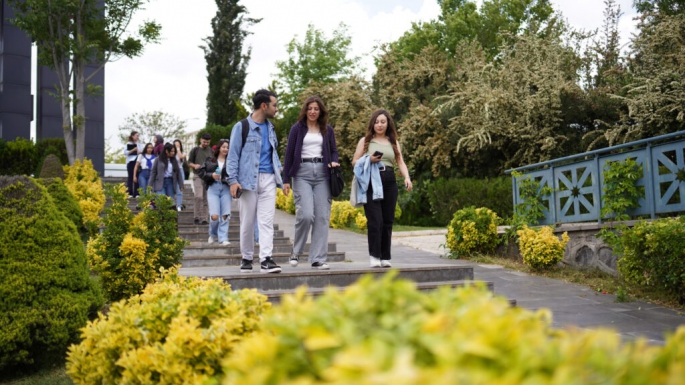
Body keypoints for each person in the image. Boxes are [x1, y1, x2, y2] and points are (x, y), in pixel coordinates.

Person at [227, 89, 284, 274]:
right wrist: (233, 180)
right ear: (264, 105)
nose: (276, 109)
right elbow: (233, 156)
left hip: (268, 179)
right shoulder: (241, 127)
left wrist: (282, 178)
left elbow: (273, 154)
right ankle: (247, 258)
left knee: (266, 221)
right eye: (274, 105)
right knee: (247, 222)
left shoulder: (271, 128)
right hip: (247, 181)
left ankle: (266, 259)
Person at [282, 96, 339, 270]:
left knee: (322, 217)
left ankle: (317, 258)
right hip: (302, 173)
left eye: (316, 109)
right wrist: (285, 180)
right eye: (310, 108)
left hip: (323, 173)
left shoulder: (327, 130)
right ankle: (296, 252)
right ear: (305, 111)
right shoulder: (297, 129)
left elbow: (334, 150)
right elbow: (289, 154)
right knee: (306, 215)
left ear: (320, 111)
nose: (313, 112)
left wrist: (334, 161)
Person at [352, 109, 413, 268]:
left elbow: (400, 162)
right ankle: (374, 255)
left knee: (387, 220)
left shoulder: (393, 142)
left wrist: (407, 177)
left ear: (388, 124)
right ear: (372, 123)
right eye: (377, 122)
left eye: (383, 122)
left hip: (390, 181)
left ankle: (385, 256)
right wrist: (369, 159)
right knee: (375, 220)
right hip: (372, 181)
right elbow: (354, 161)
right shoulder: (365, 141)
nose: (379, 125)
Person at [201, 139, 232, 246]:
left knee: (225, 215)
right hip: (213, 188)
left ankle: (223, 238)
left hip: (226, 188)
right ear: (219, 148)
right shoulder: (210, 160)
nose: (226, 149)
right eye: (223, 147)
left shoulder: (232, 161)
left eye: (227, 147)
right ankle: (213, 234)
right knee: (214, 216)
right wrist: (212, 175)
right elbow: (202, 173)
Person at [187, 132, 212, 225]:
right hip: (197, 175)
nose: (205, 143)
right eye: (204, 142)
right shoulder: (195, 150)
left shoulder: (211, 151)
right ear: (200, 140)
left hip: (207, 176)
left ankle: (205, 218)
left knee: (206, 198)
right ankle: (196, 216)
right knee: (199, 196)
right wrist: (194, 165)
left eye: (207, 142)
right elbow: (189, 162)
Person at [124, 131, 143, 198]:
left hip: (137, 161)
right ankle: (129, 192)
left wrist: (139, 151)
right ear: (132, 136)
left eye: (138, 136)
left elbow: (141, 152)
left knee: (137, 177)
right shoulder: (128, 144)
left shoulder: (139, 144)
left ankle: (136, 193)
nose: (137, 137)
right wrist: (133, 150)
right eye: (136, 135)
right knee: (130, 177)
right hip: (131, 161)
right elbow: (125, 152)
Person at [173, 139, 187, 211]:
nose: (177, 146)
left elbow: (181, 157)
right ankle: (172, 205)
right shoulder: (171, 153)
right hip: (172, 171)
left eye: (178, 144)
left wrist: (178, 149)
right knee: (172, 189)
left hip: (180, 170)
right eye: (175, 145)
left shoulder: (183, 153)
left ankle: (179, 205)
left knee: (180, 189)